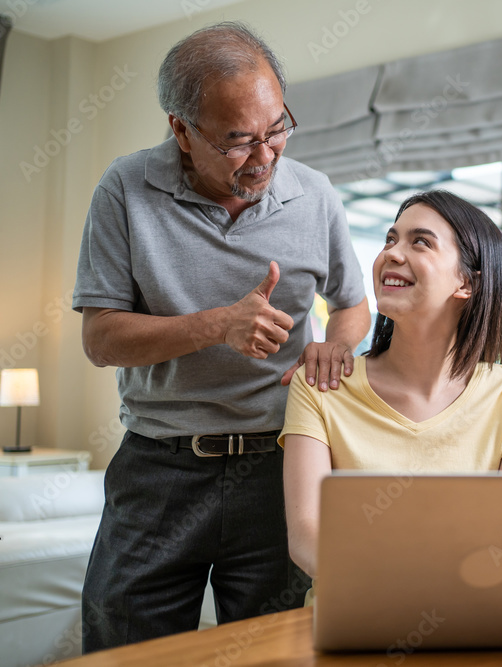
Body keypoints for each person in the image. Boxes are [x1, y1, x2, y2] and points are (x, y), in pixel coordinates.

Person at [72, 22, 370, 652]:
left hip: (279, 465)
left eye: (277, 130)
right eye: (238, 142)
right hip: (159, 469)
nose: (263, 157)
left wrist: (337, 346)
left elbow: (352, 306)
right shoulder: (124, 190)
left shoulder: (314, 196)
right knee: (123, 649)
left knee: (274, 649)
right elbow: (100, 339)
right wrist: (216, 325)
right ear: (181, 130)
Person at [280, 190, 502, 589]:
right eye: (390, 239)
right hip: (355, 620)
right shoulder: (321, 385)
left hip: (472, 617)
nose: (392, 253)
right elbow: (306, 538)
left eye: (419, 241)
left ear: (467, 283)